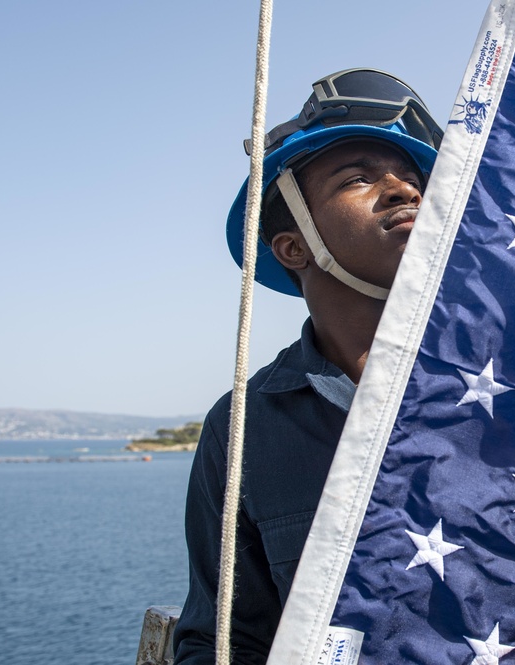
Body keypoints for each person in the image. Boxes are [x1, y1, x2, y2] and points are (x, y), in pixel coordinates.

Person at [173, 68, 444, 665]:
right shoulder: (245, 426)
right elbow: (224, 639)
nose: (405, 191)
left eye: (413, 177)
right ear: (293, 247)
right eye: (358, 178)